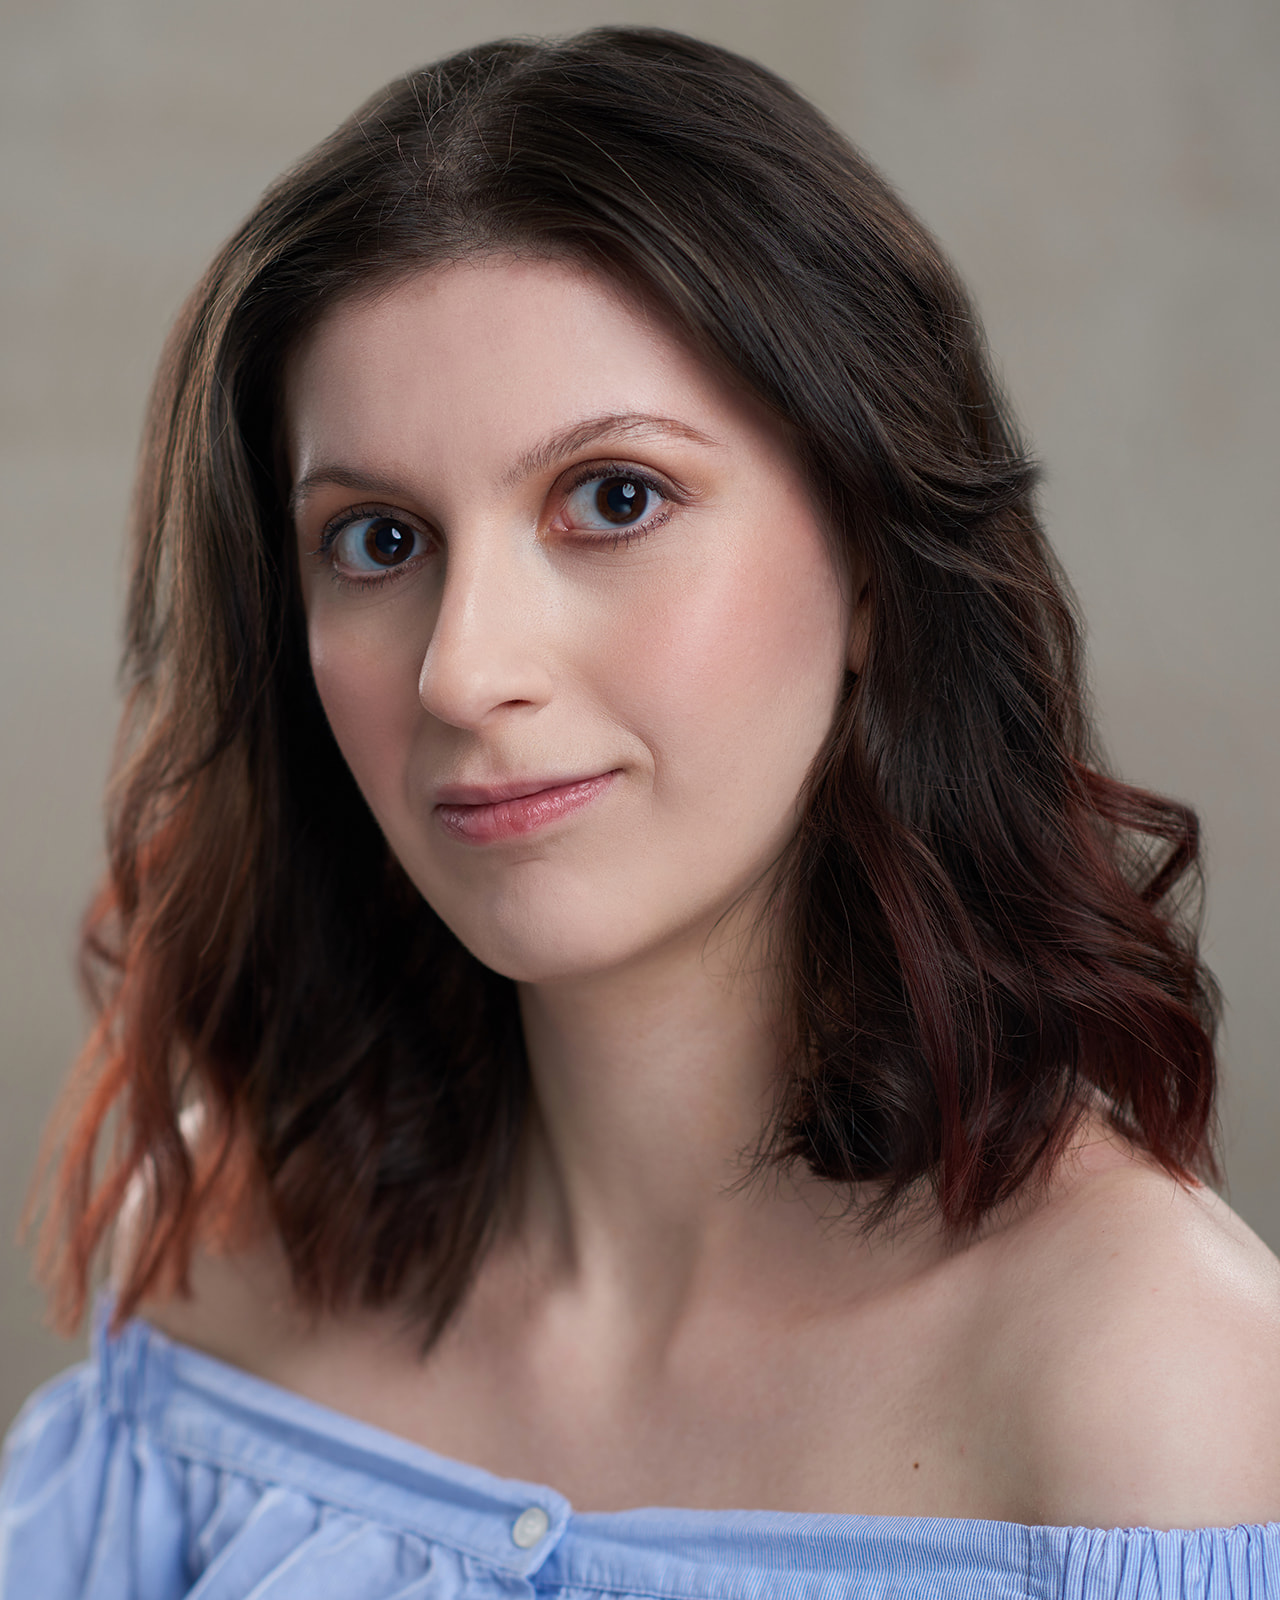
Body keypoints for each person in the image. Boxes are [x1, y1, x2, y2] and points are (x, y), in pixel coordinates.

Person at [2, 24, 1278, 1598]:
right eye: (380, 539)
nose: (466, 674)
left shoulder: (1147, 1377)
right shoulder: (220, 1252)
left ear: (871, 563)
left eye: (615, 497)